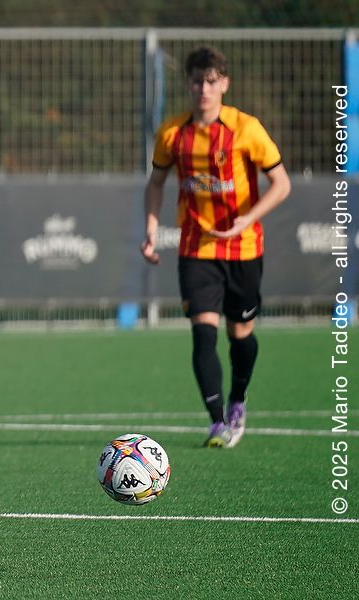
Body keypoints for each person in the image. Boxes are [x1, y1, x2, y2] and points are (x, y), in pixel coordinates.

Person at [141, 46, 291, 449]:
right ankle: (217, 423)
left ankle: (238, 399)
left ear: (224, 83)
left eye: (211, 81)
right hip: (196, 249)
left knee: (241, 336)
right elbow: (155, 184)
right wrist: (151, 228)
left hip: (243, 249)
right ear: (188, 84)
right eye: (197, 81)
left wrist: (247, 218)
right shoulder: (172, 133)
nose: (203, 89)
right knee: (202, 335)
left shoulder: (246, 129)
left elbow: (282, 184)